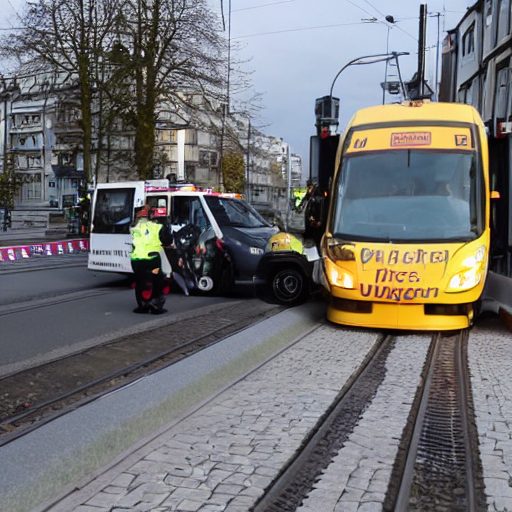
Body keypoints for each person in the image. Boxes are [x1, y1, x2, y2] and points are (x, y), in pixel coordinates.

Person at [130, 206, 169, 314]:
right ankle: (155, 305)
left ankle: (142, 305)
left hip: (137, 260)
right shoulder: (157, 227)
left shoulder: (133, 228)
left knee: (139, 282)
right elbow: (167, 240)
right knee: (157, 280)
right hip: (152, 259)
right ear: (150, 216)